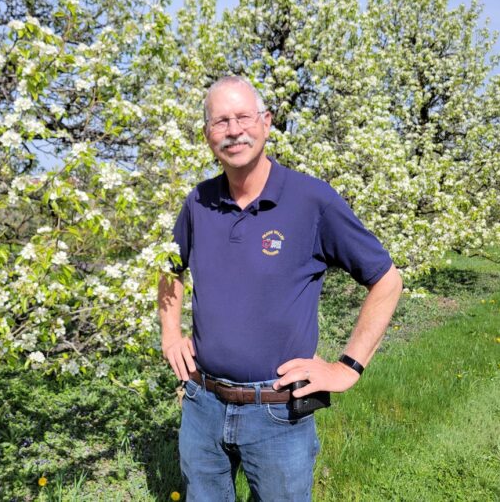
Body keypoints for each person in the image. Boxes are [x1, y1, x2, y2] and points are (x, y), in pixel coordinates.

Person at [157, 75, 403, 501]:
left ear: (266, 123)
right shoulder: (198, 201)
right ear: (207, 135)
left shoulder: (312, 201)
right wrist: (169, 332)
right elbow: (169, 267)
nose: (233, 131)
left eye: (243, 117)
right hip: (203, 402)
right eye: (220, 122)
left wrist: (347, 368)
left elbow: (387, 280)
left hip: (277, 412)